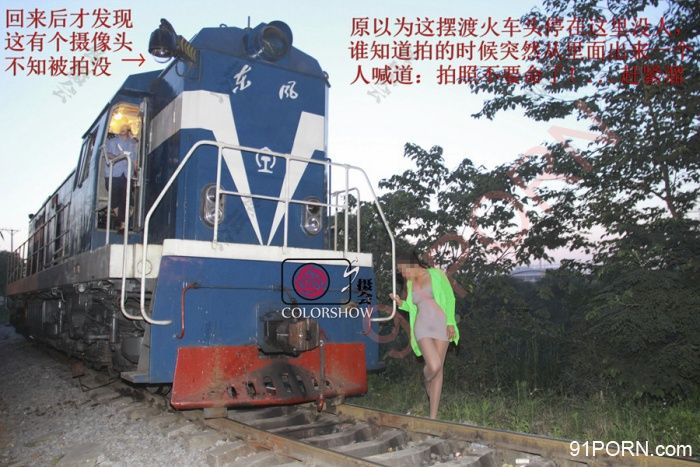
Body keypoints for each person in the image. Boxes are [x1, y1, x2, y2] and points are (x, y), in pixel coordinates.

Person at [389, 249, 460, 419]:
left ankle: (433, 418)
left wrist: (451, 322)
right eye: (400, 271)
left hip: (441, 325)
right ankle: (426, 378)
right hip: (422, 327)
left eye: (403, 269)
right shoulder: (410, 284)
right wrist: (400, 303)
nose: (402, 274)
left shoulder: (436, 274)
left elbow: (450, 298)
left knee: (439, 370)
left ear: (412, 264)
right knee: (434, 366)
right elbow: (412, 306)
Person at [104, 123, 139, 231]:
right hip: (113, 174)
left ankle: (123, 224)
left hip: (126, 174)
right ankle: (122, 221)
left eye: (126, 129)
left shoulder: (132, 144)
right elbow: (107, 154)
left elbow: (134, 160)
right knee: (114, 200)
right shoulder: (112, 141)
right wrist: (117, 157)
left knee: (125, 198)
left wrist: (136, 170)